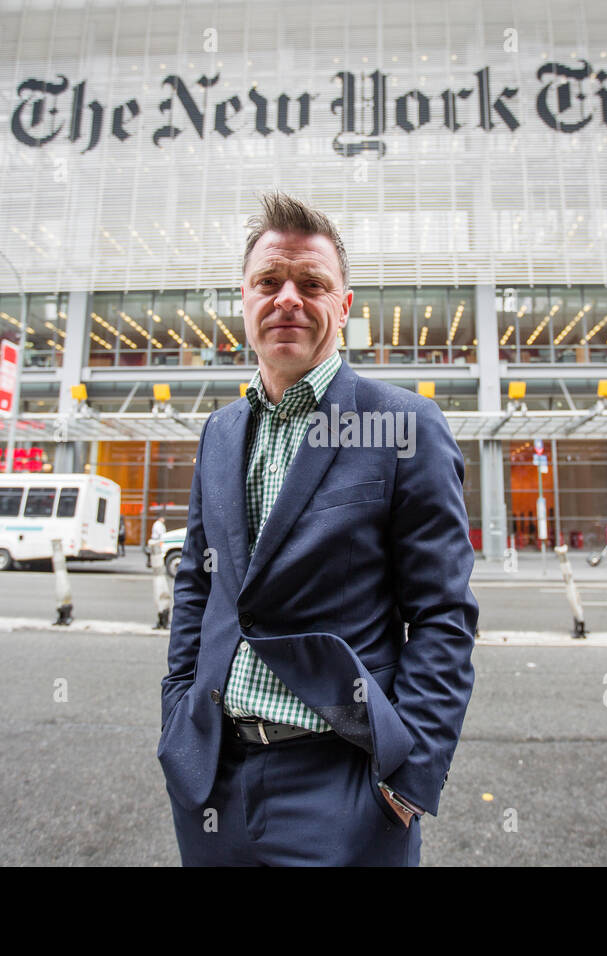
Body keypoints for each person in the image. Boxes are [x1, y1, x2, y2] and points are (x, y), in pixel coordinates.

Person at [156, 192, 478, 866]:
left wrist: (406, 781)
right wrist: (178, 722)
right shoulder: (219, 431)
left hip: (345, 790)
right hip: (212, 781)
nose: (288, 299)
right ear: (242, 297)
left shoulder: (404, 426)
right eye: (268, 282)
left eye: (312, 283)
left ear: (345, 305)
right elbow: (198, 588)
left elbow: (443, 616)